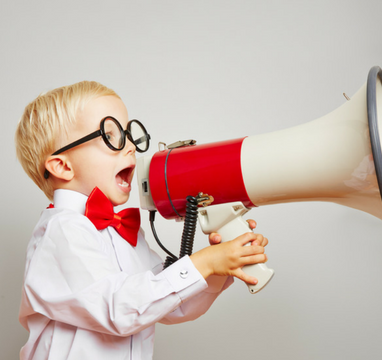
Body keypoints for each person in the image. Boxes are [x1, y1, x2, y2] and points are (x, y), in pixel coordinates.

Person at [14, 81, 270, 359]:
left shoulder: (123, 233)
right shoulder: (61, 230)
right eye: (110, 136)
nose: (130, 148)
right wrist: (204, 262)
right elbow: (119, 309)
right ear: (62, 166)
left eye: (128, 133)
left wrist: (217, 270)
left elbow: (171, 305)